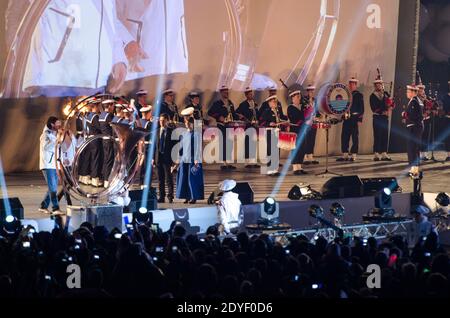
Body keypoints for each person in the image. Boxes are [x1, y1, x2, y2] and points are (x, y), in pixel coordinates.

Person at [175, 108, 204, 204]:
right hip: (184, 159)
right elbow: (181, 147)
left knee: (192, 180)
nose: (187, 124)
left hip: (192, 159)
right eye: (186, 122)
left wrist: (196, 159)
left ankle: (193, 196)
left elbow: (198, 147)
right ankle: (186, 196)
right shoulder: (184, 134)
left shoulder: (196, 134)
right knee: (184, 179)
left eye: (189, 122)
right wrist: (178, 159)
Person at [207, 85, 238, 170]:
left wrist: (238, 117)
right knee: (223, 143)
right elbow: (210, 112)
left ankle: (228, 162)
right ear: (221, 93)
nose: (226, 93)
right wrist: (219, 117)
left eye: (227, 92)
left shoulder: (230, 103)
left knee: (230, 143)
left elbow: (233, 113)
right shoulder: (217, 103)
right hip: (222, 126)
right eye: (224, 92)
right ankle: (224, 163)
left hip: (229, 125)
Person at [38, 116, 63, 215]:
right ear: (52, 124)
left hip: (53, 165)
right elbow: (46, 147)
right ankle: (55, 208)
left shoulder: (54, 134)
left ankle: (43, 206)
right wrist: (56, 141)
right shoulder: (45, 135)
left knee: (52, 187)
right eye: (57, 123)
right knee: (53, 188)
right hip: (47, 165)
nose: (59, 125)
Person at [337, 77, 364, 162]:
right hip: (346, 119)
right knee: (344, 136)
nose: (351, 85)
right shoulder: (346, 95)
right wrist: (342, 116)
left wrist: (360, 119)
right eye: (350, 84)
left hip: (354, 119)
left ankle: (353, 154)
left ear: (356, 85)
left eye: (353, 84)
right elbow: (343, 106)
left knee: (355, 137)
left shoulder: (359, 95)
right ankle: (345, 154)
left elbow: (361, 108)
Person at [260, 95, 288, 176]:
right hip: (270, 132)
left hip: (277, 131)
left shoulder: (277, 111)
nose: (275, 103)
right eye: (273, 101)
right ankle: (270, 170)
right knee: (270, 151)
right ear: (269, 103)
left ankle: (275, 169)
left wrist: (286, 120)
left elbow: (280, 119)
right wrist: (269, 123)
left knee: (276, 150)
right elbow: (261, 122)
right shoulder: (266, 111)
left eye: (276, 101)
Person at [370, 74, 393, 161]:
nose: (379, 86)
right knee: (377, 135)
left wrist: (391, 106)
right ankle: (376, 153)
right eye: (377, 84)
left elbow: (391, 103)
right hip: (377, 118)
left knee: (384, 135)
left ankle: (384, 153)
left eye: (380, 84)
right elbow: (373, 108)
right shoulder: (372, 96)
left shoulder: (386, 94)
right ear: (375, 86)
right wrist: (383, 110)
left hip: (384, 118)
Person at [402, 84, 424, 177]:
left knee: (412, 149)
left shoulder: (414, 102)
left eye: (408, 91)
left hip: (414, 128)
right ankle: (414, 169)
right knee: (414, 149)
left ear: (413, 92)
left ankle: (414, 170)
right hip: (416, 127)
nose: (407, 93)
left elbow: (415, 116)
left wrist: (405, 114)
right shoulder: (416, 101)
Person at [236, 87, 260, 168]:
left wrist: (258, 120)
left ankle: (253, 161)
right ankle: (247, 161)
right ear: (246, 95)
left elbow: (257, 113)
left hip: (255, 125)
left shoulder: (255, 103)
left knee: (253, 142)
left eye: (251, 93)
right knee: (247, 143)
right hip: (248, 125)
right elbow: (237, 112)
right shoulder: (243, 104)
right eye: (249, 94)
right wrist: (243, 118)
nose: (251, 95)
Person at [154, 114, 175, 203]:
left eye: (163, 120)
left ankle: (170, 196)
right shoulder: (157, 131)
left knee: (168, 178)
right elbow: (154, 146)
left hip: (167, 158)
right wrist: (152, 158)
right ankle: (161, 196)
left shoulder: (171, 132)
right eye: (160, 120)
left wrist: (174, 160)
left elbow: (174, 146)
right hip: (159, 158)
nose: (161, 122)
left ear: (167, 121)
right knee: (160, 179)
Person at [287, 90, 307, 175]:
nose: (299, 98)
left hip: (302, 130)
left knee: (302, 148)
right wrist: (303, 120)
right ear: (292, 98)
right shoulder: (290, 108)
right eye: (297, 97)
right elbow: (294, 118)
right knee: (295, 148)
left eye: (299, 97)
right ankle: (295, 167)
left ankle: (300, 166)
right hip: (295, 130)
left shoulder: (302, 107)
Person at [57, 129, 76, 206]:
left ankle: (58, 197)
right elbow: (61, 151)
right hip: (64, 164)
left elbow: (75, 146)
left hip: (71, 163)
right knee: (68, 183)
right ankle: (69, 203)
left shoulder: (72, 136)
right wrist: (64, 160)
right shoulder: (61, 138)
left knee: (70, 183)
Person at [99, 99, 116, 188]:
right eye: (113, 106)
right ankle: (107, 180)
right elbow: (114, 127)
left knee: (106, 160)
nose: (113, 108)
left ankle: (105, 179)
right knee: (109, 160)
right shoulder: (109, 115)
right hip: (109, 140)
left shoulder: (101, 115)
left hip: (103, 140)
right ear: (109, 106)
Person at [302, 85, 319, 165]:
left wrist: (318, 117)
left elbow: (317, 111)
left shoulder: (315, 100)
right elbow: (303, 111)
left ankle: (310, 155)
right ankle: (304, 156)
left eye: (313, 91)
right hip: (306, 122)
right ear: (307, 91)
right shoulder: (304, 100)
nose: (312, 92)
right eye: (310, 91)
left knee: (312, 139)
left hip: (313, 122)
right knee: (306, 139)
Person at [440, 80, 450, 162]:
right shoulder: (444, 97)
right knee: (447, 138)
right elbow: (441, 109)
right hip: (447, 119)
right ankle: (448, 155)